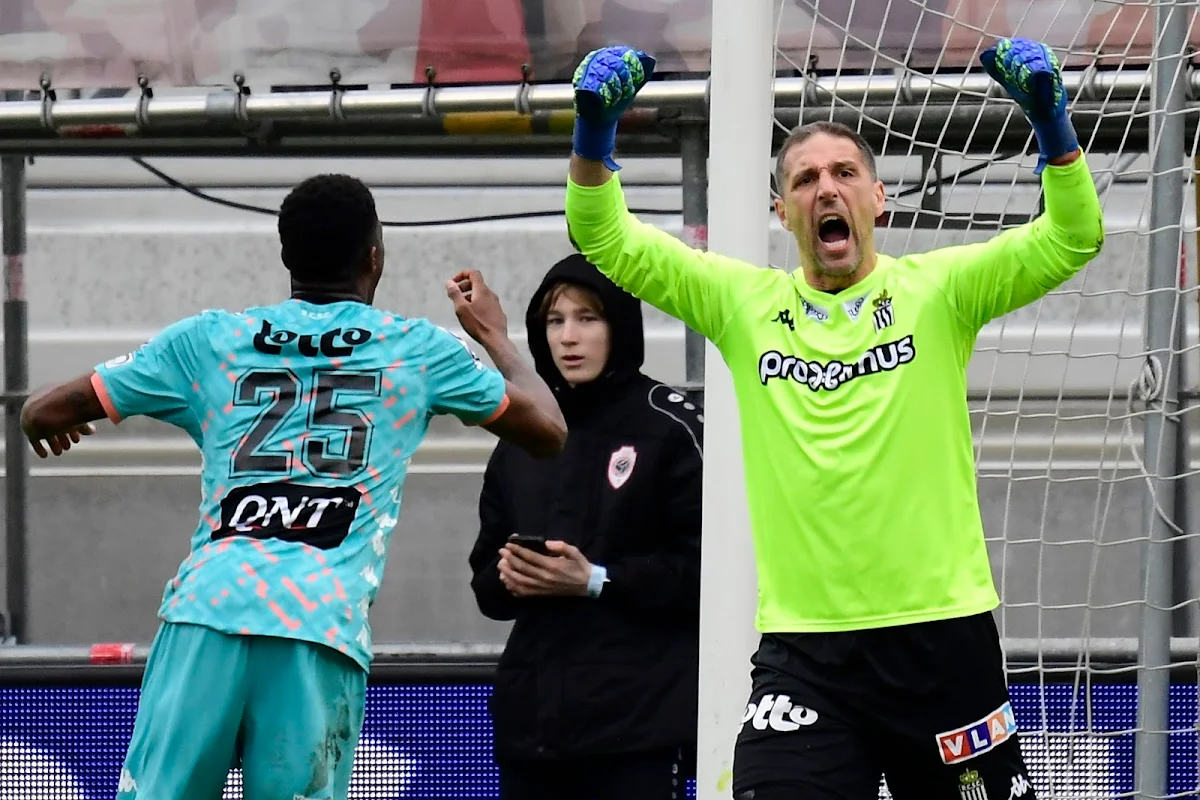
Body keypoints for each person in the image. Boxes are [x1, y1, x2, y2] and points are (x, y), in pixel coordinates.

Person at [561, 40, 1103, 799]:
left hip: (940, 642)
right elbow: (604, 236)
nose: (826, 189)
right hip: (806, 656)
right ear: (781, 211)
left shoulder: (939, 290)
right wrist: (593, 134)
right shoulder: (745, 305)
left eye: (844, 173)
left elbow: (1073, 236)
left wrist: (1051, 123)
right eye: (805, 179)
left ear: (878, 197)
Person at [19, 173, 568, 800]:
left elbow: (45, 409)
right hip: (315, 624)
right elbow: (548, 429)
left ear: (285, 257)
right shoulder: (417, 350)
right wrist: (494, 333)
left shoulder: (211, 340)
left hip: (207, 614)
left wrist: (51, 424)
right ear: (374, 258)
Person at [468, 253, 703, 800]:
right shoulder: (523, 438)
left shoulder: (670, 425)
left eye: (587, 319)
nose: (568, 337)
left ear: (620, 325)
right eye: (555, 321)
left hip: (639, 730)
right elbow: (485, 586)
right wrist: (514, 575)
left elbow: (708, 573)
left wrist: (595, 579)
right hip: (534, 730)